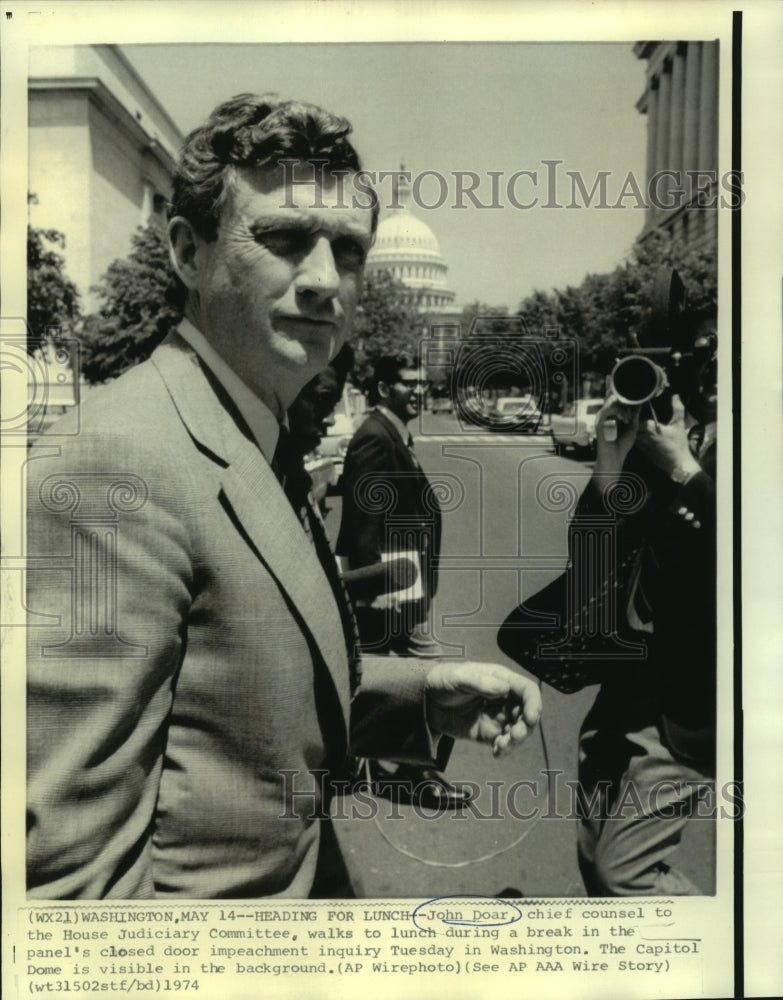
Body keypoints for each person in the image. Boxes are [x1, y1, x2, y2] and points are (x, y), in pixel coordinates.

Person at [26, 93, 542, 900]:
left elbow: (239, 686)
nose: (322, 280)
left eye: (347, 249)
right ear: (187, 253)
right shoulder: (110, 465)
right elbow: (72, 887)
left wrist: (420, 698)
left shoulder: (248, 426)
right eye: (284, 238)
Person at [573, 388, 716, 895]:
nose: (712, 372)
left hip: (692, 700)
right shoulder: (667, 443)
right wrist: (610, 461)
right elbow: (591, 561)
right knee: (593, 852)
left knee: (625, 875)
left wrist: (685, 469)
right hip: (627, 687)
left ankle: (729, 950)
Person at [336, 356, 469, 808]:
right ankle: (419, 772)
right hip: (393, 587)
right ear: (381, 389)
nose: (417, 390)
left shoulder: (392, 432)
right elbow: (362, 520)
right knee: (429, 675)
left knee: (388, 678)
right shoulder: (375, 436)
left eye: (420, 383)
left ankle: (383, 764)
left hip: (404, 583)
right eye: (406, 384)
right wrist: (376, 588)